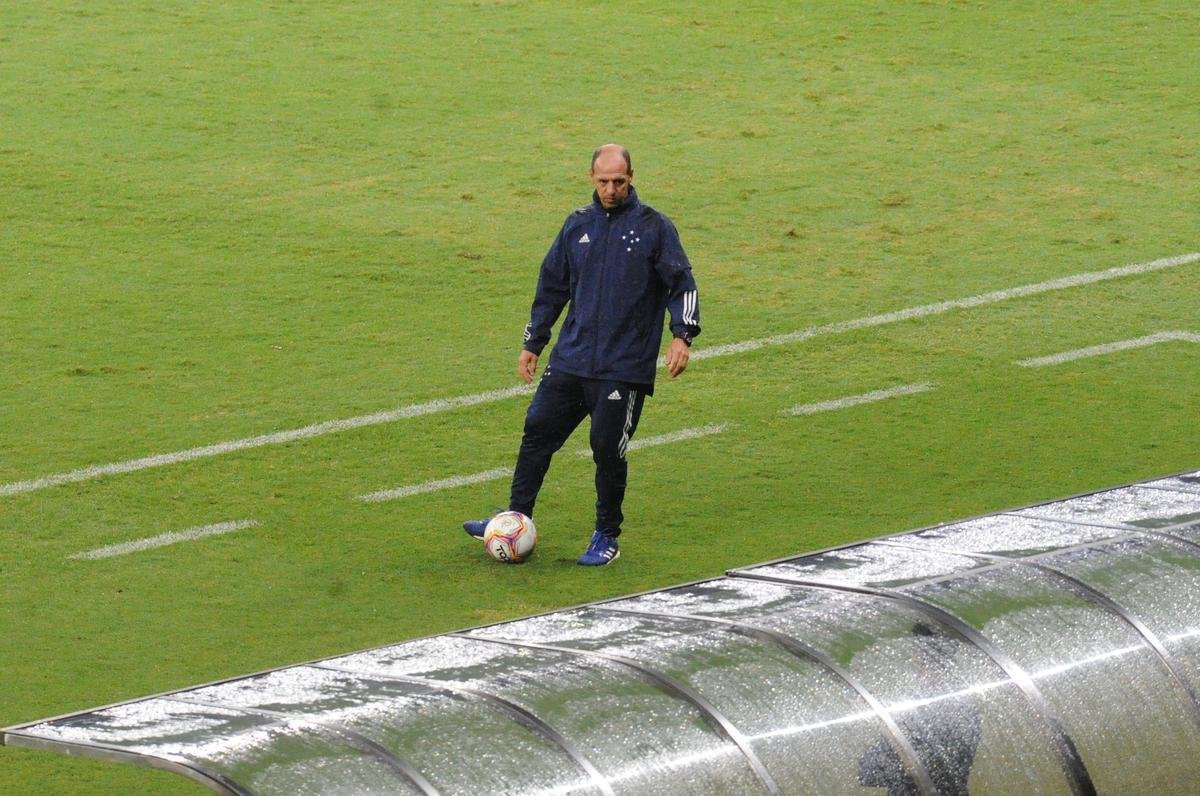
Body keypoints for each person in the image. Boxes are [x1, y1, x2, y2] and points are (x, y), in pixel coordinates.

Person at [464, 144, 701, 565]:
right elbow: (551, 285)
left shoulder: (654, 228)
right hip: (571, 359)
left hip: (622, 369)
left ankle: (607, 535)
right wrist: (533, 342)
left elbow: (682, 283)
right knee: (536, 432)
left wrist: (682, 336)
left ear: (632, 178)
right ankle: (514, 516)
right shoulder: (577, 226)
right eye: (604, 181)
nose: (611, 189)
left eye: (619, 182)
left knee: (607, 450)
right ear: (591, 177)